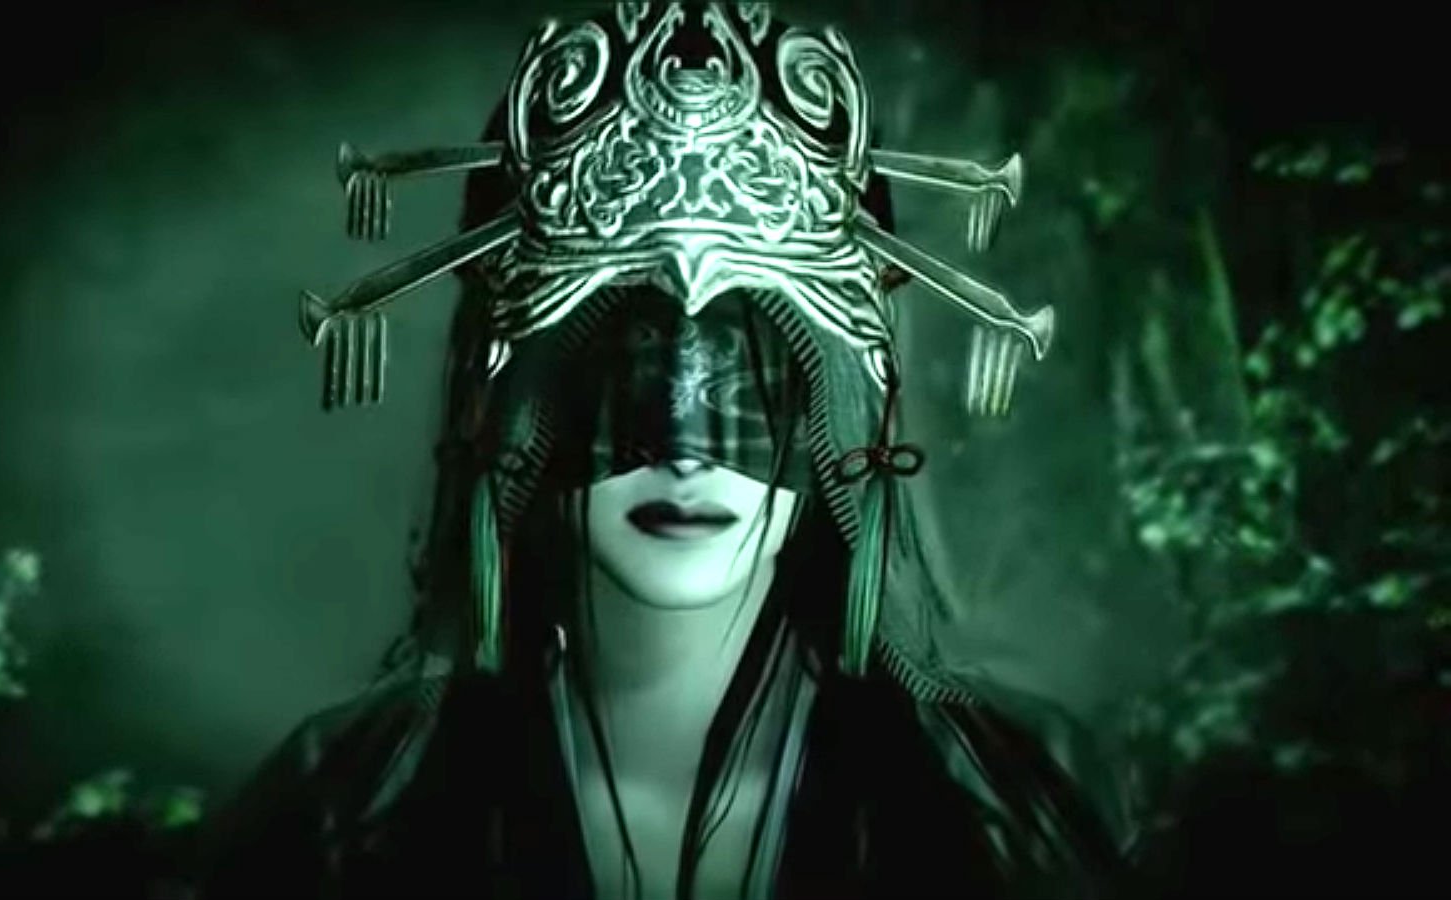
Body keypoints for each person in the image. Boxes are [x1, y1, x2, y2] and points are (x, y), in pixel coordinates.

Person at [201, 3, 1131, 898]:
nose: (686, 451)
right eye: (626, 360)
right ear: (514, 402)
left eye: (753, 368)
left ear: (844, 404)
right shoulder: (340, 806)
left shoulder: (1019, 804)